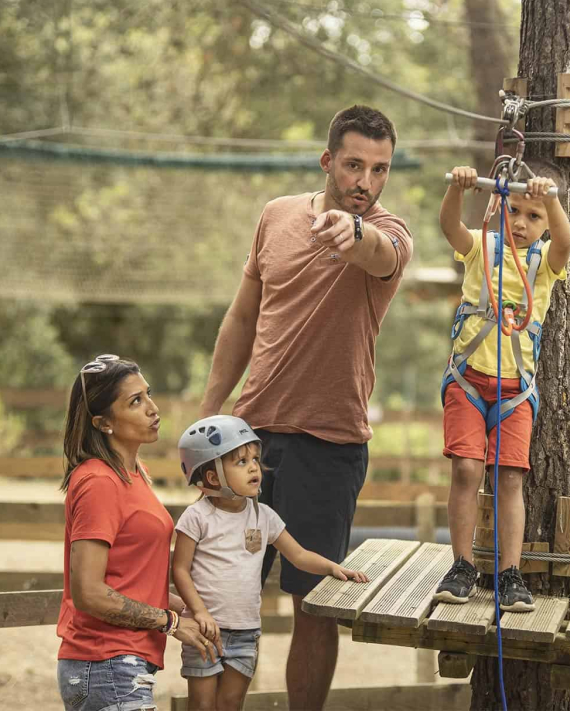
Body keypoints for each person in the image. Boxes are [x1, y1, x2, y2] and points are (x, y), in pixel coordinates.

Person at [198, 105, 412, 710]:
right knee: (223, 598)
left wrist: (354, 233)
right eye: (353, 165)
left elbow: (380, 251)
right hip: (247, 438)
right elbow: (243, 316)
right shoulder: (276, 217)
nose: (364, 182)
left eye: (378, 169)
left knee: (315, 606)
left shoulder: (390, 233)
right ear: (328, 162)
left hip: (331, 446)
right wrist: (211, 412)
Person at [434, 163, 570, 611]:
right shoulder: (483, 246)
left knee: (510, 477)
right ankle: (461, 564)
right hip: (468, 380)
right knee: (467, 471)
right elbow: (449, 226)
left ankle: (510, 573)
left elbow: (567, 244)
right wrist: (459, 189)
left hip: (515, 390)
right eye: (515, 210)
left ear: (548, 222)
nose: (521, 223)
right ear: (501, 206)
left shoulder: (545, 265)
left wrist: (548, 196)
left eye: (535, 216)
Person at [57, 354, 221, 711]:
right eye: (135, 401)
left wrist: (189, 609)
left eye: (148, 394)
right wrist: (171, 621)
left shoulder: (133, 473)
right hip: (105, 663)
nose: (152, 408)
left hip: (123, 664)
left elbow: (132, 577)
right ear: (103, 423)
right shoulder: (99, 480)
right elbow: (88, 593)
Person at [172, 414, 368, 711]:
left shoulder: (264, 516)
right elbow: (180, 570)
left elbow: (299, 555)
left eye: (255, 458)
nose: (254, 467)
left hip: (246, 631)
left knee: (230, 703)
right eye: (241, 462)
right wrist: (199, 612)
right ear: (213, 478)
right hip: (205, 630)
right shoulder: (196, 517)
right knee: (201, 704)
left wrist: (332, 567)